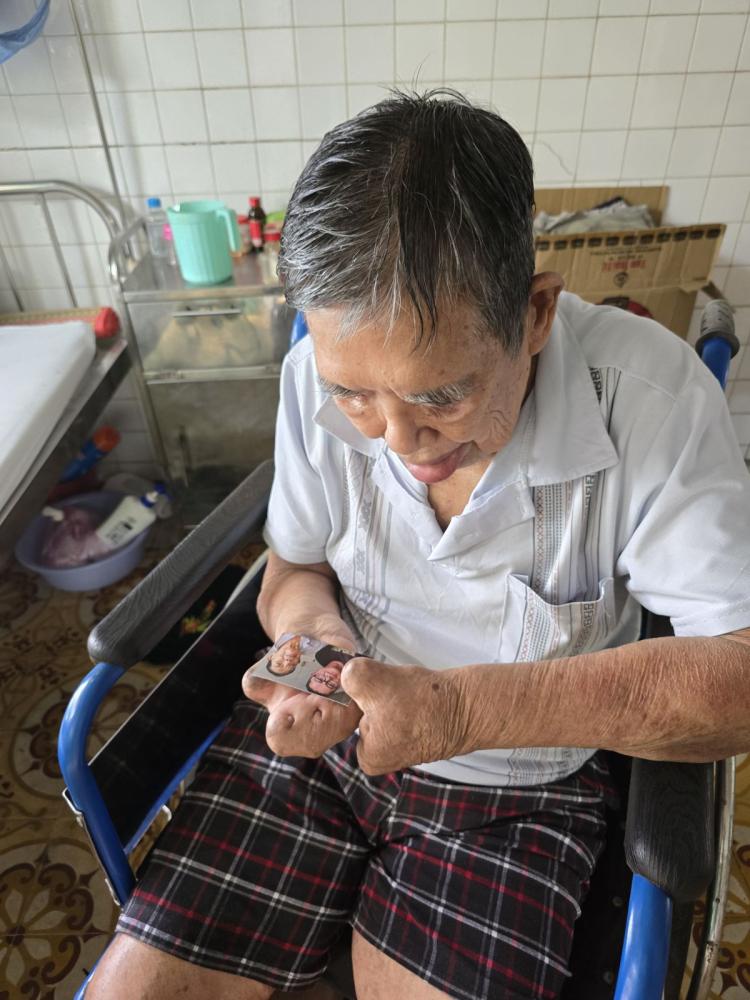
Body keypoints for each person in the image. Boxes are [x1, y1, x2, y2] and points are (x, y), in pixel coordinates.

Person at [89, 91, 750, 1000]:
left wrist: (458, 713)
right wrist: (322, 650)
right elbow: (295, 570)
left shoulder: (649, 402)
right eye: (355, 395)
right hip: (327, 746)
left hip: (519, 784)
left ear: (535, 316)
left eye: (441, 395)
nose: (398, 441)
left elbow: (738, 677)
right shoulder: (310, 380)